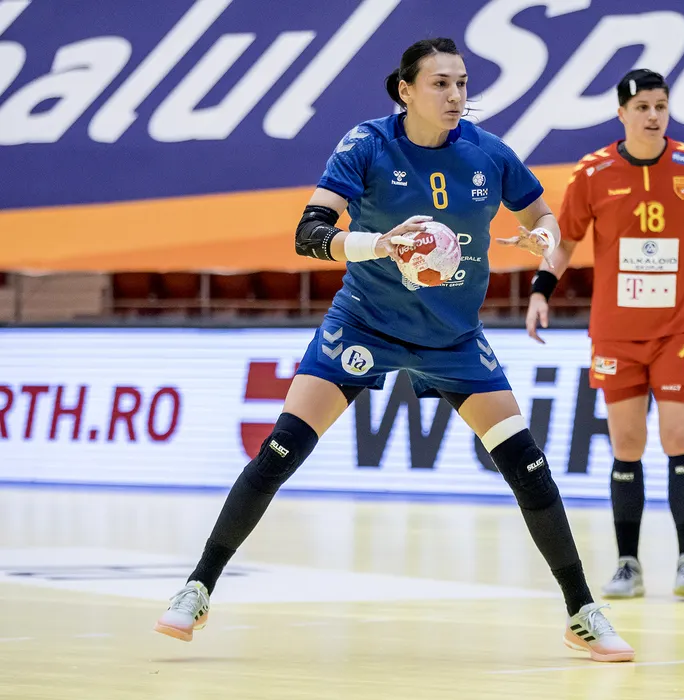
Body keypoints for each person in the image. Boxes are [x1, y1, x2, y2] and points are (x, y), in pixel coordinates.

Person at [153, 38, 634, 663]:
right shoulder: (367, 144)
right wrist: (380, 245)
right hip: (365, 324)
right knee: (281, 451)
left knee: (528, 465)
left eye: (462, 83)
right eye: (440, 83)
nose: (456, 95)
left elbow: (545, 218)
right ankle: (198, 587)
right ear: (405, 90)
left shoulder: (489, 153)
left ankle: (581, 612)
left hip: (452, 336)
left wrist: (539, 239)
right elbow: (309, 234)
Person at [526, 69, 684, 601]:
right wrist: (540, 290)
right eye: (643, 107)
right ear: (621, 113)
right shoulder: (593, 172)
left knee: (679, 438)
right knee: (626, 444)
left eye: (661, 106)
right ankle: (628, 564)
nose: (653, 116)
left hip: (679, 328)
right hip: (617, 333)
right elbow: (566, 240)